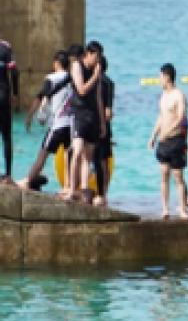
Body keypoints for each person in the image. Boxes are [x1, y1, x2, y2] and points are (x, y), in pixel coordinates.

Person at [20, 50, 72, 189]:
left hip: (57, 124)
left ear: (56, 63)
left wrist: (30, 116)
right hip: (70, 124)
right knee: (68, 156)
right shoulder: (72, 77)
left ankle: (27, 181)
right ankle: (67, 187)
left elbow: (41, 97)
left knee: (42, 155)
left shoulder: (52, 78)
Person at [148, 62, 188, 217]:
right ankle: (165, 208)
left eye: (160, 77)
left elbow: (181, 117)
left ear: (167, 77)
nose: (159, 80)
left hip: (175, 140)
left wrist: (169, 131)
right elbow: (161, 117)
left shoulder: (179, 95)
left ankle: (183, 209)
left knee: (178, 176)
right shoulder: (163, 95)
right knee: (164, 174)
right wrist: (153, 136)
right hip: (163, 141)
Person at [67, 41, 106, 202]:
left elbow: (98, 97)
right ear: (88, 54)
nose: (97, 61)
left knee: (87, 157)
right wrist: (96, 76)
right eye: (96, 57)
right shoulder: (77, 65)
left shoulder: (96, 70)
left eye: (99, 58)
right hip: (79, 114)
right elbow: (81, 89)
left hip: (92, 117)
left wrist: (102, 122)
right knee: (77, 151)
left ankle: (83, 190)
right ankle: (71, 189)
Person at [94, 54, 116, 206]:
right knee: (104, 160)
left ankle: (100, 193)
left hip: (97, 126)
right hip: (106, 127)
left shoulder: (99, 82)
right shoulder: (110, 83)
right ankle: (104, 193)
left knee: (99, 160)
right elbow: (109, 112)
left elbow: (107, 112)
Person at [0, 37, 19, 181]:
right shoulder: (6, 48)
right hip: (3, 95)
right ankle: (8, 174)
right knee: (6, 135)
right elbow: (14, 72)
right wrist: (15, 93)